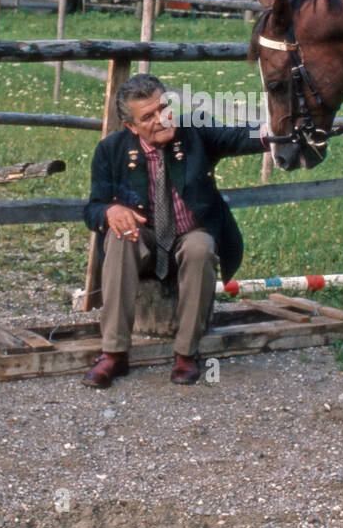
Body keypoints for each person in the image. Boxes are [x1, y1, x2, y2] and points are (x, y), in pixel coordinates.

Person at [82, 74, 269, 387]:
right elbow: (91, 209)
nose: (162, 118)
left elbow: (241, 136)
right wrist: (110, 211)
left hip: (189, 234)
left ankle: (186, 353)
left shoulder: (194, 131)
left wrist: (277, 133)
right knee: (119, 240)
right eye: (148, 116)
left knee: (201, 248)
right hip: (145, 238)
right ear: (131, 126)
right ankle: (113, 353)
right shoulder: (111, 150)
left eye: (164, 108)